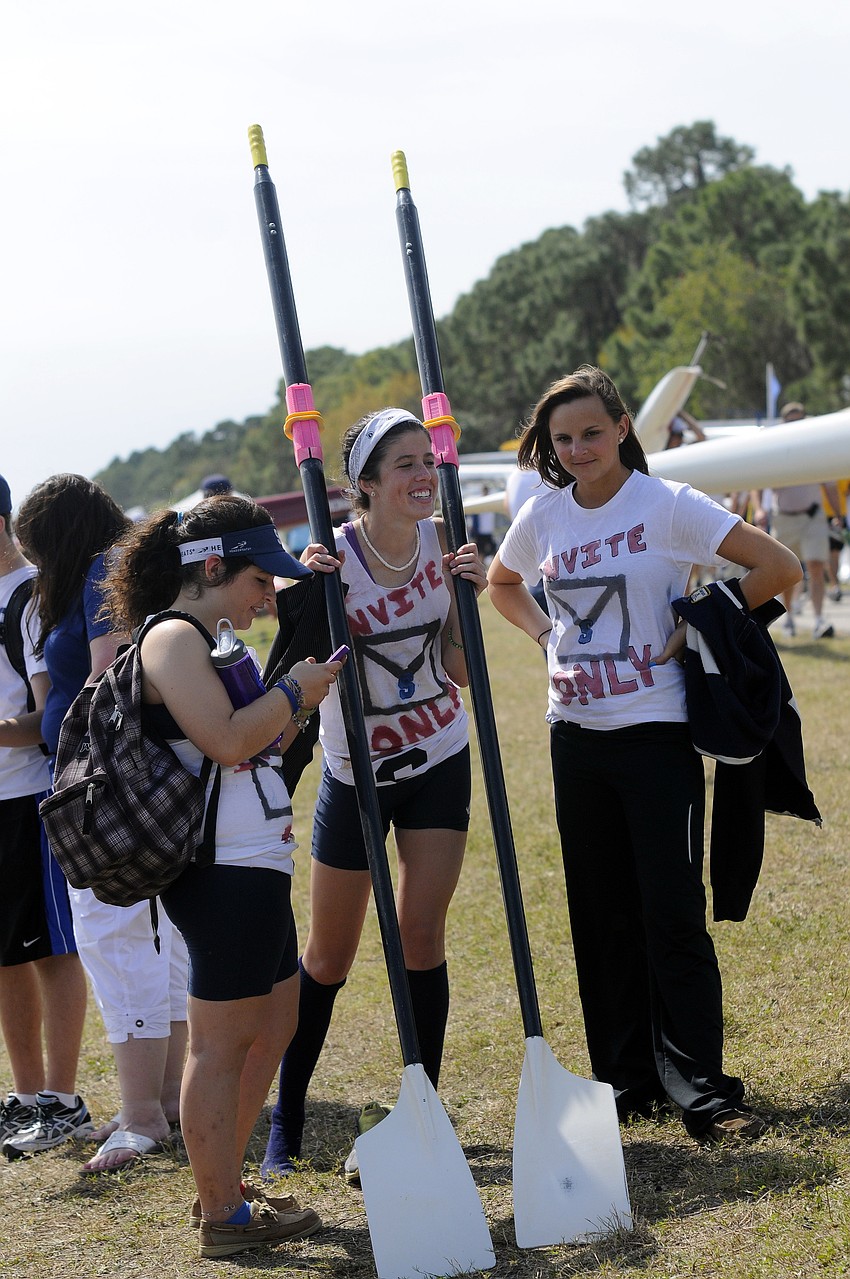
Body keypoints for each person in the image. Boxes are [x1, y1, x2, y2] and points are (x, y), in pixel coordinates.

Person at [487, 366, 801, 1144]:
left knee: (670, 911)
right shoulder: (545, 516)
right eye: (563, 438)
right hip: (575, 739)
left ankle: (702, 1090)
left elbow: (779, 568)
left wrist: (700, 623)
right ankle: (626, 1081)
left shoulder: (666, 505)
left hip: (657, 734)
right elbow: (502, 582)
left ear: (623, 427)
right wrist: (543, 635)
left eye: (592, 432)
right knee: (600, 915)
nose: (578, 448)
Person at [100, 494, 340, 1258]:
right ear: (213, 565)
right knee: (221, 1042)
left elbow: (253, 745)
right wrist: (294, 689)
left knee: (275, 1021)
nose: (268, 594)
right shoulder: (172, 638)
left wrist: (296, 694)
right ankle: (222, 1217)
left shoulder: (211, 637)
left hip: (254, 860)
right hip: (219, 870)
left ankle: (225, 1188)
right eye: (258, 580)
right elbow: (228, 737)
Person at [261, 407, 487, 1181]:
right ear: (362, 484)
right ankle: (286, 1121)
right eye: (403, 465)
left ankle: (420, 1101)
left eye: (428, 459)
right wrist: (302, 587)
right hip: (354, 773)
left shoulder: (442, 548)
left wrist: (468, 597)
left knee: (421, 934)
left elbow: (457, 671)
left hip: (437, 757)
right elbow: (289, 665)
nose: (424, 475)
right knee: (328, 954)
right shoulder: (328, 560)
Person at [8, 476, 187, 1172]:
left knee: (114, 939)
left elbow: (109, 669)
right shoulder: (117, 563)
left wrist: (79, 747)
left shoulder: (96, 572)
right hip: (134, 775)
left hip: (104, 780)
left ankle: (143, 1111)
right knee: (156, 938)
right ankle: (165, 1096)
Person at [0, 475, 89, 1151]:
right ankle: (25, 1094)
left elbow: (45, 716)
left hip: (30, 794)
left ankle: (63, 1099)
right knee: (6, 956)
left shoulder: (30, 596)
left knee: (53, 952)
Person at [750, 402, 842, 640]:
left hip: (813, 516)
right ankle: (789, 616)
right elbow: (756, 484)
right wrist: (759, 509)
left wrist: (838, 516)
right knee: (789, 571)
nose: (796, 425)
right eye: (792, 421)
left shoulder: (816, 449)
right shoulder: (775, 449)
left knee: (816, 566)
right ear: (784, 423)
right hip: (785, 518)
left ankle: (819, 619)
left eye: (800, 420)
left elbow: (830, 485)